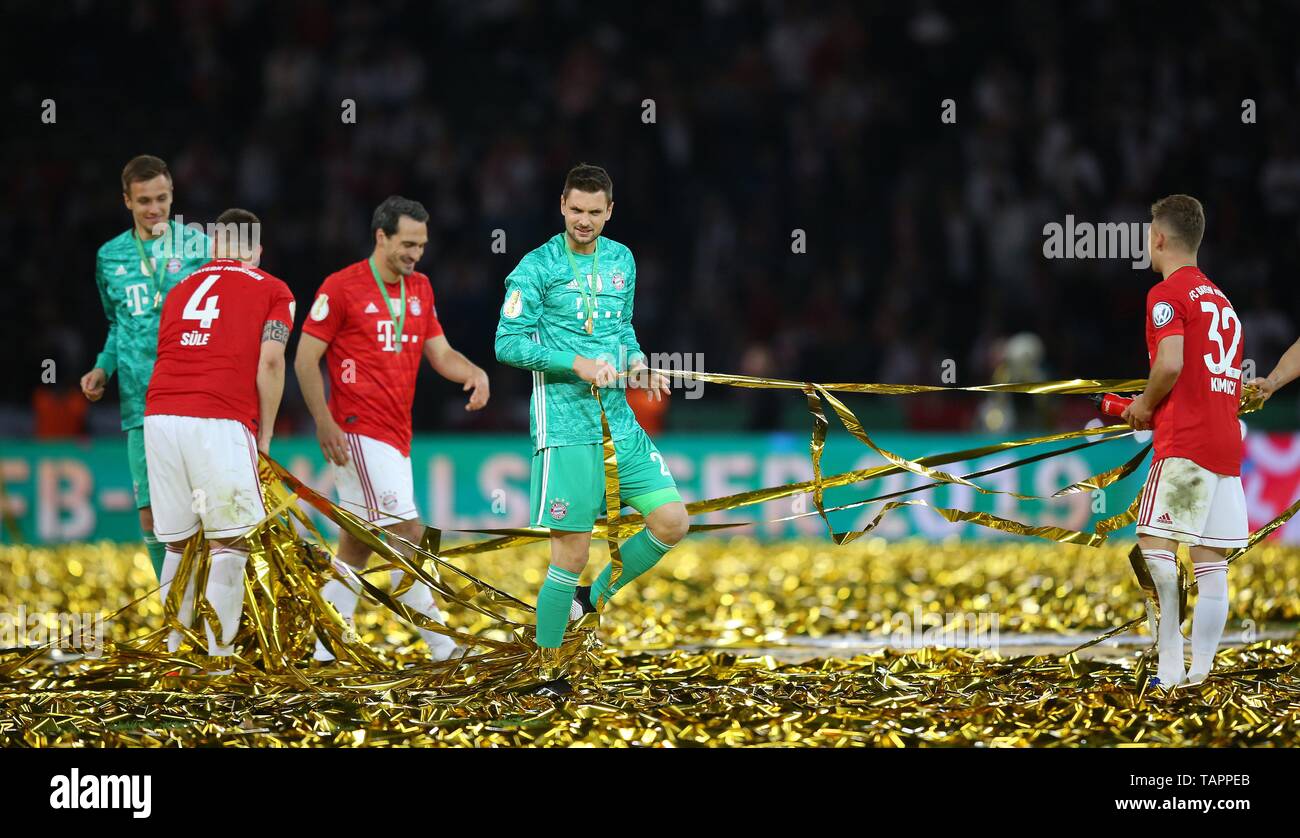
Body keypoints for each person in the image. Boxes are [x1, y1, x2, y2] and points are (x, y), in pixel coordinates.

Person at [494, 163, 690, 696]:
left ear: (609, 210)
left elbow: (621, 329)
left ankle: (590, 600)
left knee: (672, 521)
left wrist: (639, 363)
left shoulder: (623, 260)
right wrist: (575, 363)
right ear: (562, 205)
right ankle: (545, 673)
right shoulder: (535, 268)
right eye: (575, 210)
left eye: (594, 212)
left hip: (617, 421)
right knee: (571, 555)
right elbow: (506, 344)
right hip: (564, 426)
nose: (584, 220)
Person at [296, 196, 490, 663]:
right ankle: (443, 647)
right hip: (356, 432)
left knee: (358, 545)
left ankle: (324, 648)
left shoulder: (420, 288)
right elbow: (304, 359)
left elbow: (439, 354)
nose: (415, 255)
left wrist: (474, 371)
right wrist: (323, 421)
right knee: (408, 533)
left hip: (397, 434)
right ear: (380, 236)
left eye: (421, 246)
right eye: (407, 244)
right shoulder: (341, 288)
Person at [143, 208, 293, 666]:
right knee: (229, 543)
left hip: (161, 414)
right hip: (219, 417)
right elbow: (270, 362)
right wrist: (264, 436)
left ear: (211, 250)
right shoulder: (273, 288)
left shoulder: (179, 289)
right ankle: (220, 659)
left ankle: (173, 654)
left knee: (177, 543)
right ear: (257, 251)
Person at [1121, 194, 1246, 688]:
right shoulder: (1224, 303)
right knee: (1212, 563)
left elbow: (1170, 364)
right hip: (1225, 449)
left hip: (1186, 446)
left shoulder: (1166, 294)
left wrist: (1145, 406)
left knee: (1154, 544)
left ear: (1159, 237)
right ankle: (1201, 672)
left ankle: (1169, 668)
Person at [81, 155, 211, 582]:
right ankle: (175, 612)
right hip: (141, 403)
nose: (154, 208)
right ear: (126, 201)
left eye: (161, 198)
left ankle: (220, 611)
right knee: (152, 517)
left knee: (208, 512)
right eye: (143, 201)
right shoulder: (109, 256)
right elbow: (118, 323)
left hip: (197, 399)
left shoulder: (199, 248)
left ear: (173, 195)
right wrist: (103, 368)